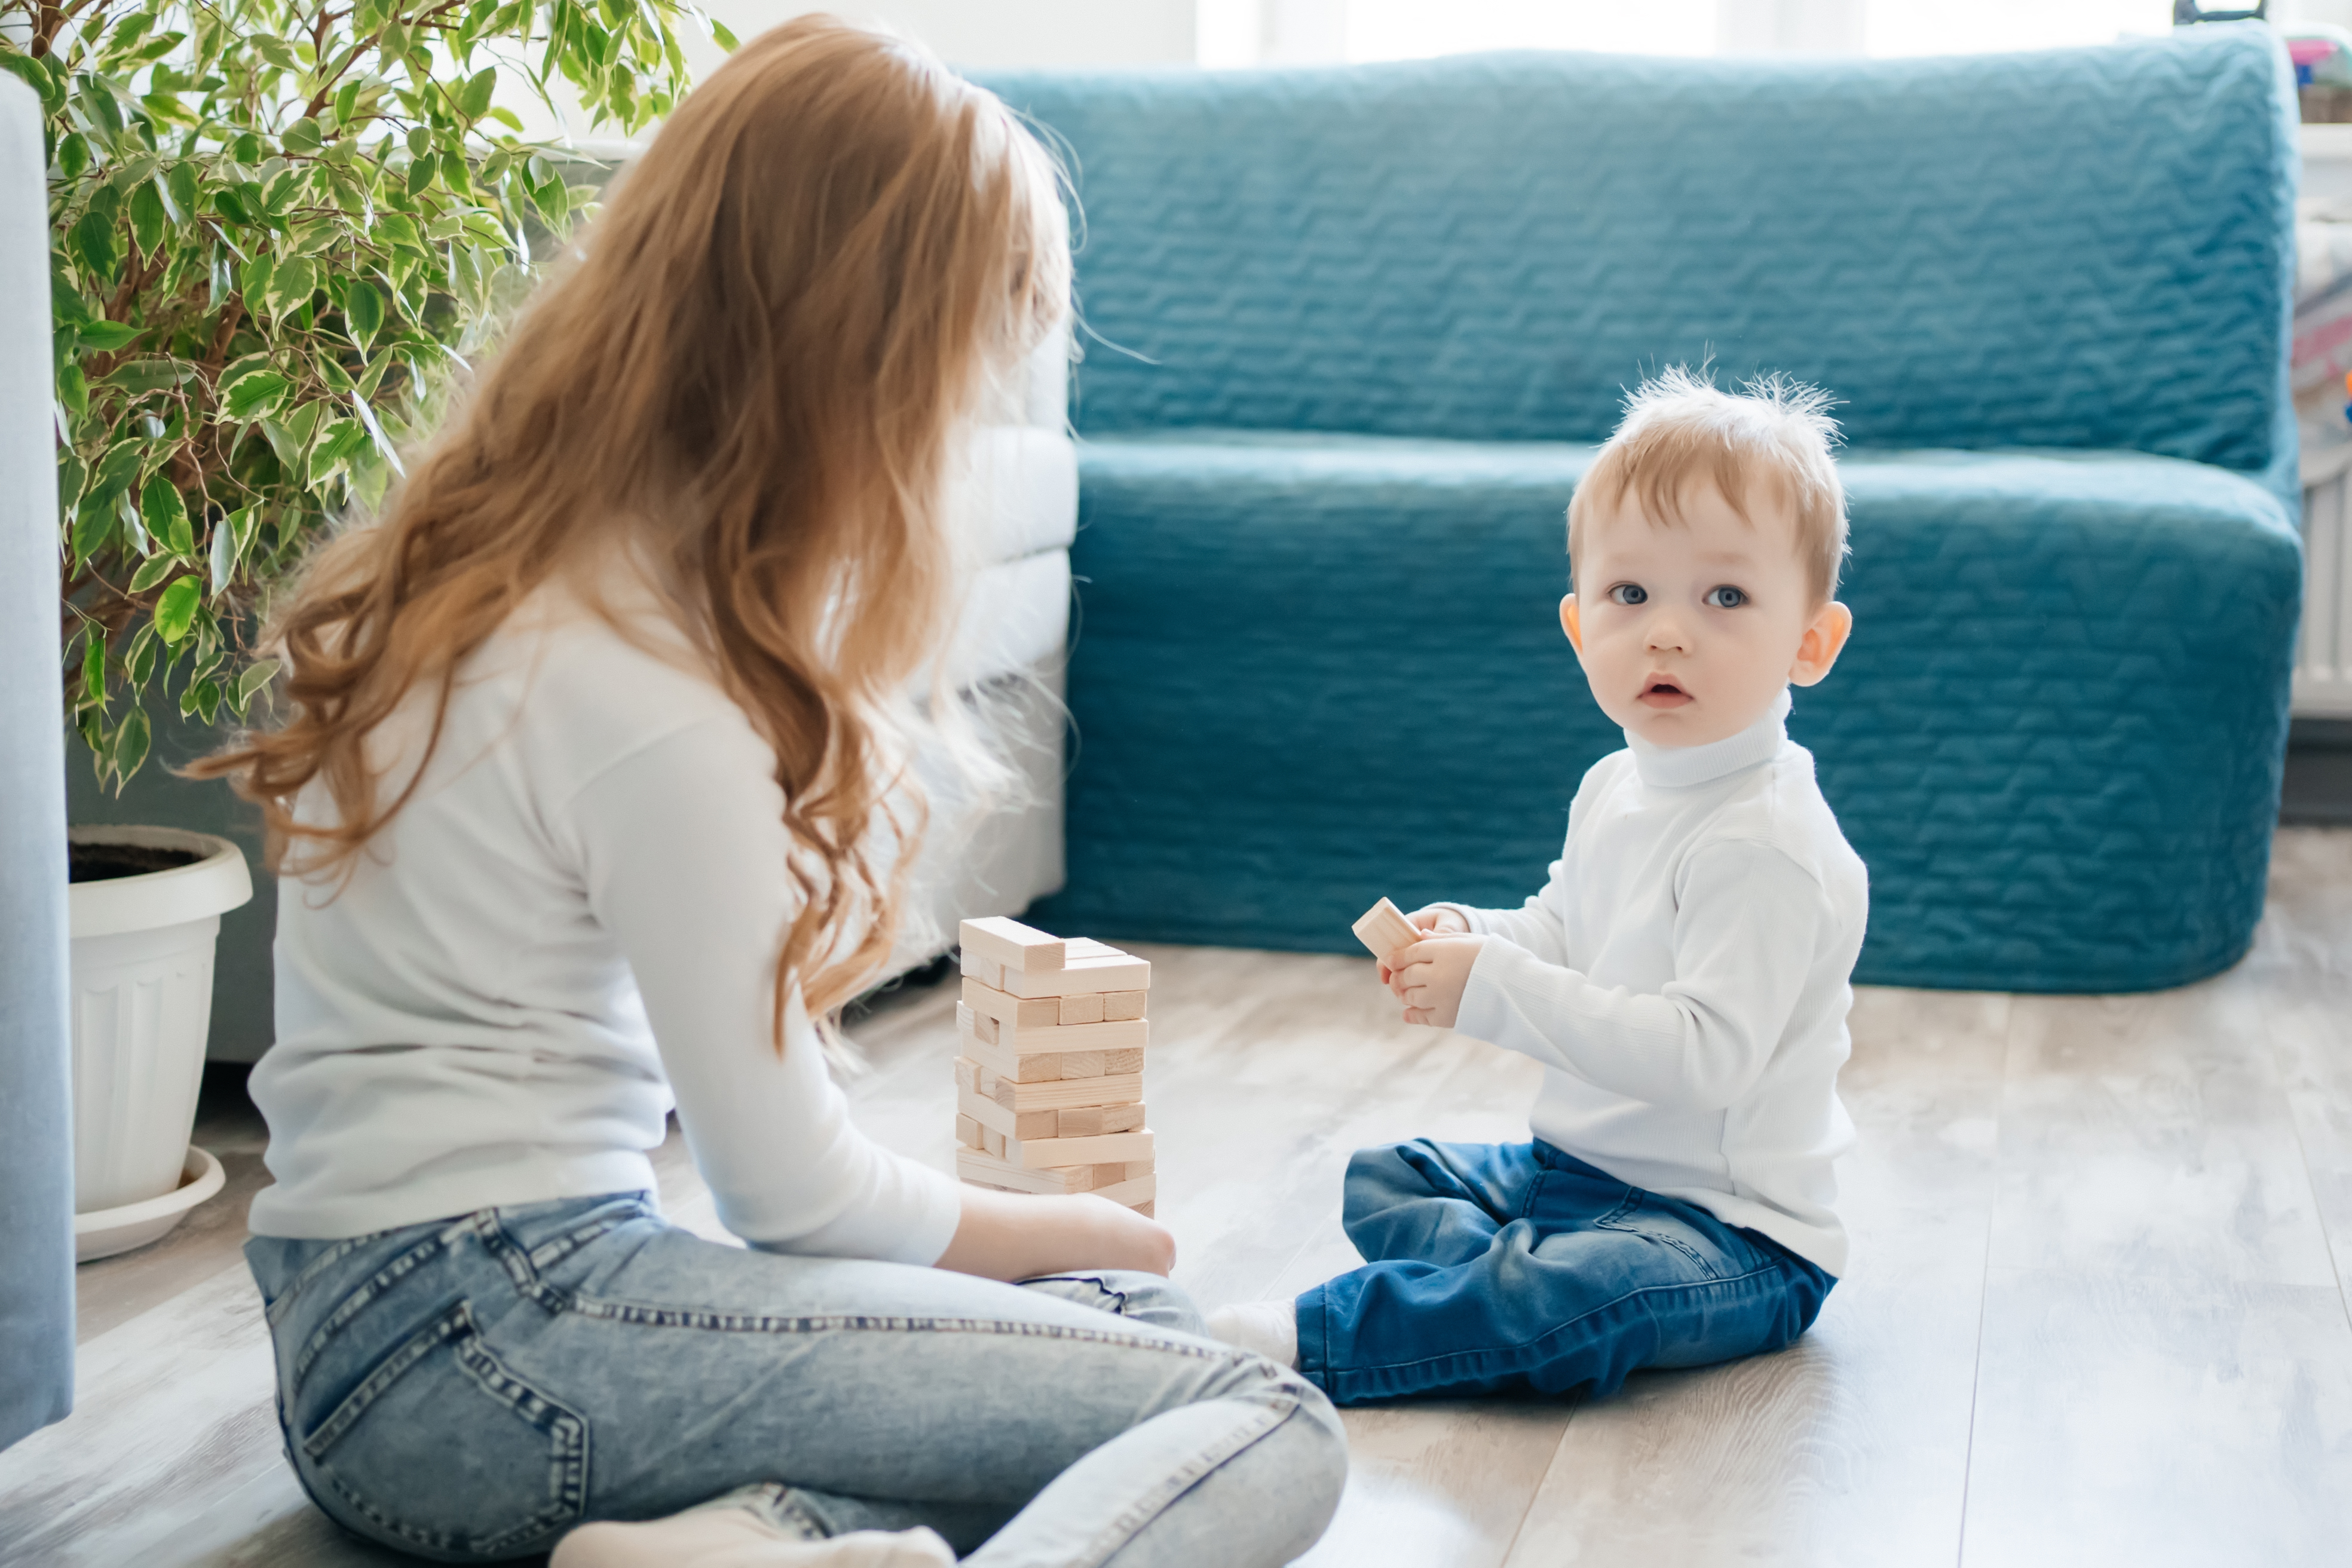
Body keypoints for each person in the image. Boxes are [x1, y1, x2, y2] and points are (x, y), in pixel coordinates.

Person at [195, 19, 1345, 1567]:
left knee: (1114, 1335)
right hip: (501, 1339)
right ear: (855, 371)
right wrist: (1072, 1231)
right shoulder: (645, 688)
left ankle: (749, 1538)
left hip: (382, 1346)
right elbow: (793, 1197)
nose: (957, 437)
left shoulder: (507, 576)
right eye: (956, 381)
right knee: (1250, 1413)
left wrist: (1062, 1284)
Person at [1206, 369, 1864, 1404]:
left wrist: (1496, 991)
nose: (1667, 631)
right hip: (1572, 1179)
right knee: (1390, 1172)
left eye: (1725, 597)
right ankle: (1494, 1286)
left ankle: (1322, 1338)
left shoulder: (1764, 844)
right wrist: (1479, 933)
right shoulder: (1617, 785)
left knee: (1589, 1293)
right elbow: (1565, 929)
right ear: (1579, 629)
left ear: (1810, 644)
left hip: (1723, 1232)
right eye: (1631, 594)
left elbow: (1703, 1060)